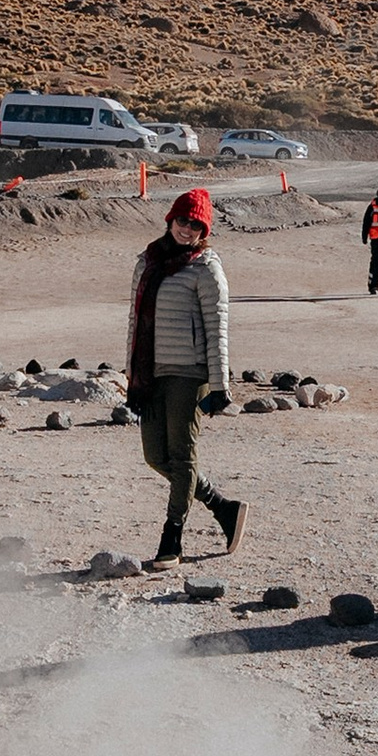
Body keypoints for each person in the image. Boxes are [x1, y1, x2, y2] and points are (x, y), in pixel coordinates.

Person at [126, 184, 246, 561]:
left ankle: (171, 538)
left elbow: (217, 326)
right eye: (182, 220)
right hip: (151, 373)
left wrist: (219, 383)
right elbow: (134, 322)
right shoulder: (147, 261)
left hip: (188, 374)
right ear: (170, 219)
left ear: (204, 231)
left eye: (196, 225)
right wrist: (131, 376)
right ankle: (223, 507)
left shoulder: (206, 267)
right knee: (155, 456)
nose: (187, 229)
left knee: (183, 455)